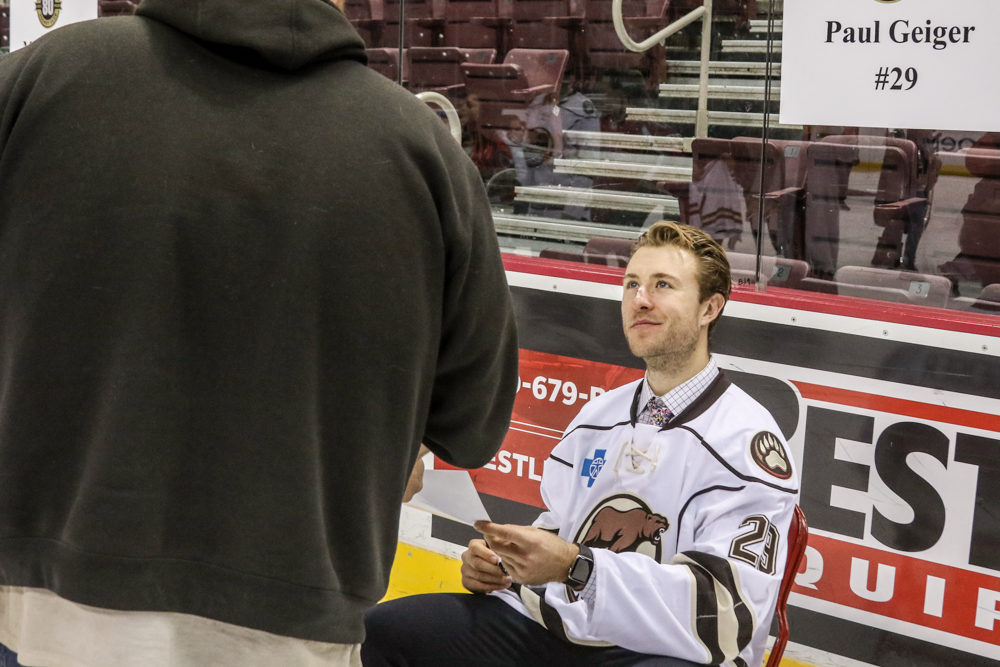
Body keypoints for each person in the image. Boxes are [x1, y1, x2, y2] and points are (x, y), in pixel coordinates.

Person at [0, 0, 518, 665]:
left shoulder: (44, 76)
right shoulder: (421, 148)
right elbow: (474, 422)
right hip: (295, 605)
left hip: (49, 587)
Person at [363, 221, 800, 667]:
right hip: (560, 630)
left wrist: (577, 566)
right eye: (632, 284)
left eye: (663, 285)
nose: (640, 300)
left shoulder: (745, 440)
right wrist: (506, 565)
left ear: (710, 308)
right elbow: (563, 533)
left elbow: (726, 617)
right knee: (382, 635)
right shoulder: (599, 415)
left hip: (662, 653)